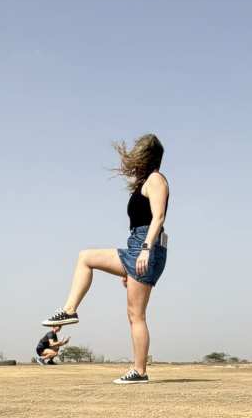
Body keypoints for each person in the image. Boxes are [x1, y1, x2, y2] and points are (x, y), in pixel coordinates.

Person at [41, 133, 169, 384]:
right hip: (136, 246)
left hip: (146, 246)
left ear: (147, 155)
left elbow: (158, 218)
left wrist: (144, 250)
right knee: (86, 257)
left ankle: (140, 371)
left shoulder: (156, 180)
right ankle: (69, 310)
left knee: (136, 315)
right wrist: (128, 267)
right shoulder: (146, 181)